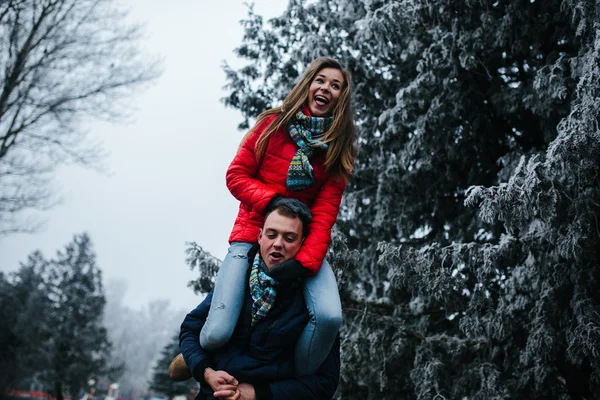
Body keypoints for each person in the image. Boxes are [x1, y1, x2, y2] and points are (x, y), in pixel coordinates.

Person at [201, 56, 356, 375]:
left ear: (341, 97)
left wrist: (304, 263)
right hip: (250, 235)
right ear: (309, 84)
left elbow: (325, 215)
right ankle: (197, 361)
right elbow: (236, 175)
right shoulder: (272, 124)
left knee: (328, 317)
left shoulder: (339, 149)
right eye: (321, 81)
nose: (326, 87)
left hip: (300, 244)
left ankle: (291, 384)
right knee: (217, 330)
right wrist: (275, 203)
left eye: (335, 85)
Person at [179, 198, 340, 400]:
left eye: (289, 238)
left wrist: (258, 393)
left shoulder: (316, 302)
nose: (278, 244)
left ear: (302, 243)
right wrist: (206, 372)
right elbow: (190, 330)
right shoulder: (236, 284)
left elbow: (325, 382)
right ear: (260, 236)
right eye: (272, 235)